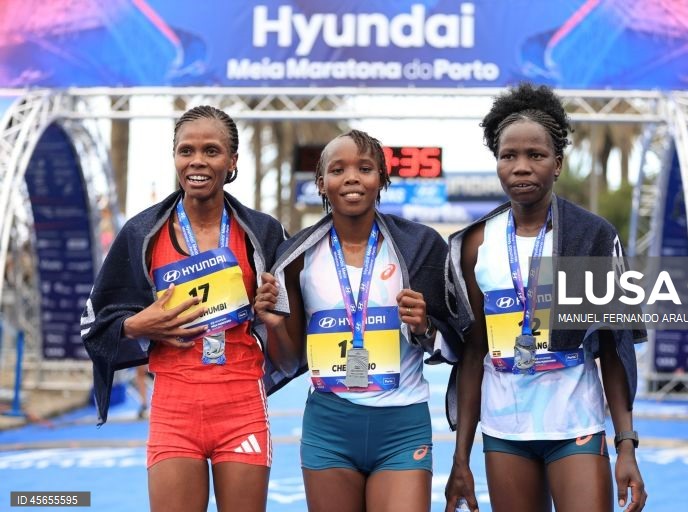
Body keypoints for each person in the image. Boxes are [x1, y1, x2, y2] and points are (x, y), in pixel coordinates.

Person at [443, 83, 648, 512]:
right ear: (497, 163)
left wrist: (625, 443)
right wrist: (460, 457)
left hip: (576, 424)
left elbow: (612, 346)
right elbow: (473, 352)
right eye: (508, 156)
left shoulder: (588, 237)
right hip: (504, 431)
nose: (521, 167)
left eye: (535, 155)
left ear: (558, 163)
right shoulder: (476, 244)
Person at [80, 105, 287, 512]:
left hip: (241, 401)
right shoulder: (142, 232)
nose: (197, 161)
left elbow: (290, 324)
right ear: (175, 157)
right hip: (174, 405)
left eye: (212, 151)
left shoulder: (262, 232)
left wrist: (273, 315)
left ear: (232, 162)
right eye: (185, 150)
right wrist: (139, 324)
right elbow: (96, 321)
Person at [254, 129, 461, 512]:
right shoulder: (297, 256)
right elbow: (286, 360)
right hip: (329, 427)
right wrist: (273, 323)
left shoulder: (420, 246)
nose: (351, 178)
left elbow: (456, 341)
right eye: (338, 169)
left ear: (382, 178)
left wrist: (424, 327)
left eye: (365, 168)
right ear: (321, 182)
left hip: (402, 424)